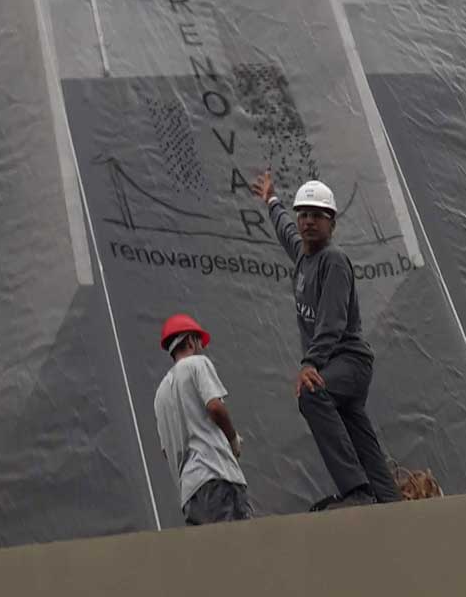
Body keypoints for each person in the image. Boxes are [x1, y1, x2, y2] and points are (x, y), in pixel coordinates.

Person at [250, 170, 401, 508]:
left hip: (348, 360)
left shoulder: (333, 261)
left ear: (331, 224)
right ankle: (389, 499)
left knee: (312, 394)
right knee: (356, 429)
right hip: (336, 366)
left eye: (317, 216)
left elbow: (332, 322)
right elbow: (286, 232)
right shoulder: (304, 257)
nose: (307, 222)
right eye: (303, 214)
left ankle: (357, 492)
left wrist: (309, 364)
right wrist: (272, 200)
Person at [152, 312, 253, 525]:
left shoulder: (160, 394)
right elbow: (215, 407)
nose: (203, 348)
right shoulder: (197, 364)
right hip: (218, 478)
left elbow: (165, 450)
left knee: (209, 556)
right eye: (200, 342)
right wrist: (233, 439)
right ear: (190, 340)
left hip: (190, 494)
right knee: (241, 551)